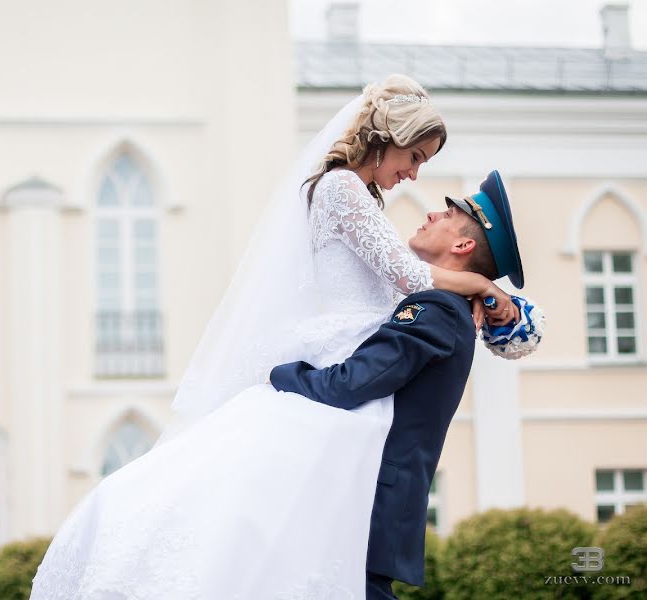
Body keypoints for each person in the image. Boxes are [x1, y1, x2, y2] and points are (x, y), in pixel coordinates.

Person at [29, 76, 519, 600]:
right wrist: (478, 283)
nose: (415, 174)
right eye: (415, 156)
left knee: (281, 532)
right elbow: (406, 274)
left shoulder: (371, 212)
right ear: (387, 138)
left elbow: (402, 299)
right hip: (339, 367)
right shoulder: (340, 187)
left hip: (350, 373)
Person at [270, 170, 525, 599]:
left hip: (369, 505)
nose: (430, 212)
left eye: (447, 213)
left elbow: (353, 383)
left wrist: (280, 376)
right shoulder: (444, 307)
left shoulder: (438, 310)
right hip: (371, 504)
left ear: (463, 245)